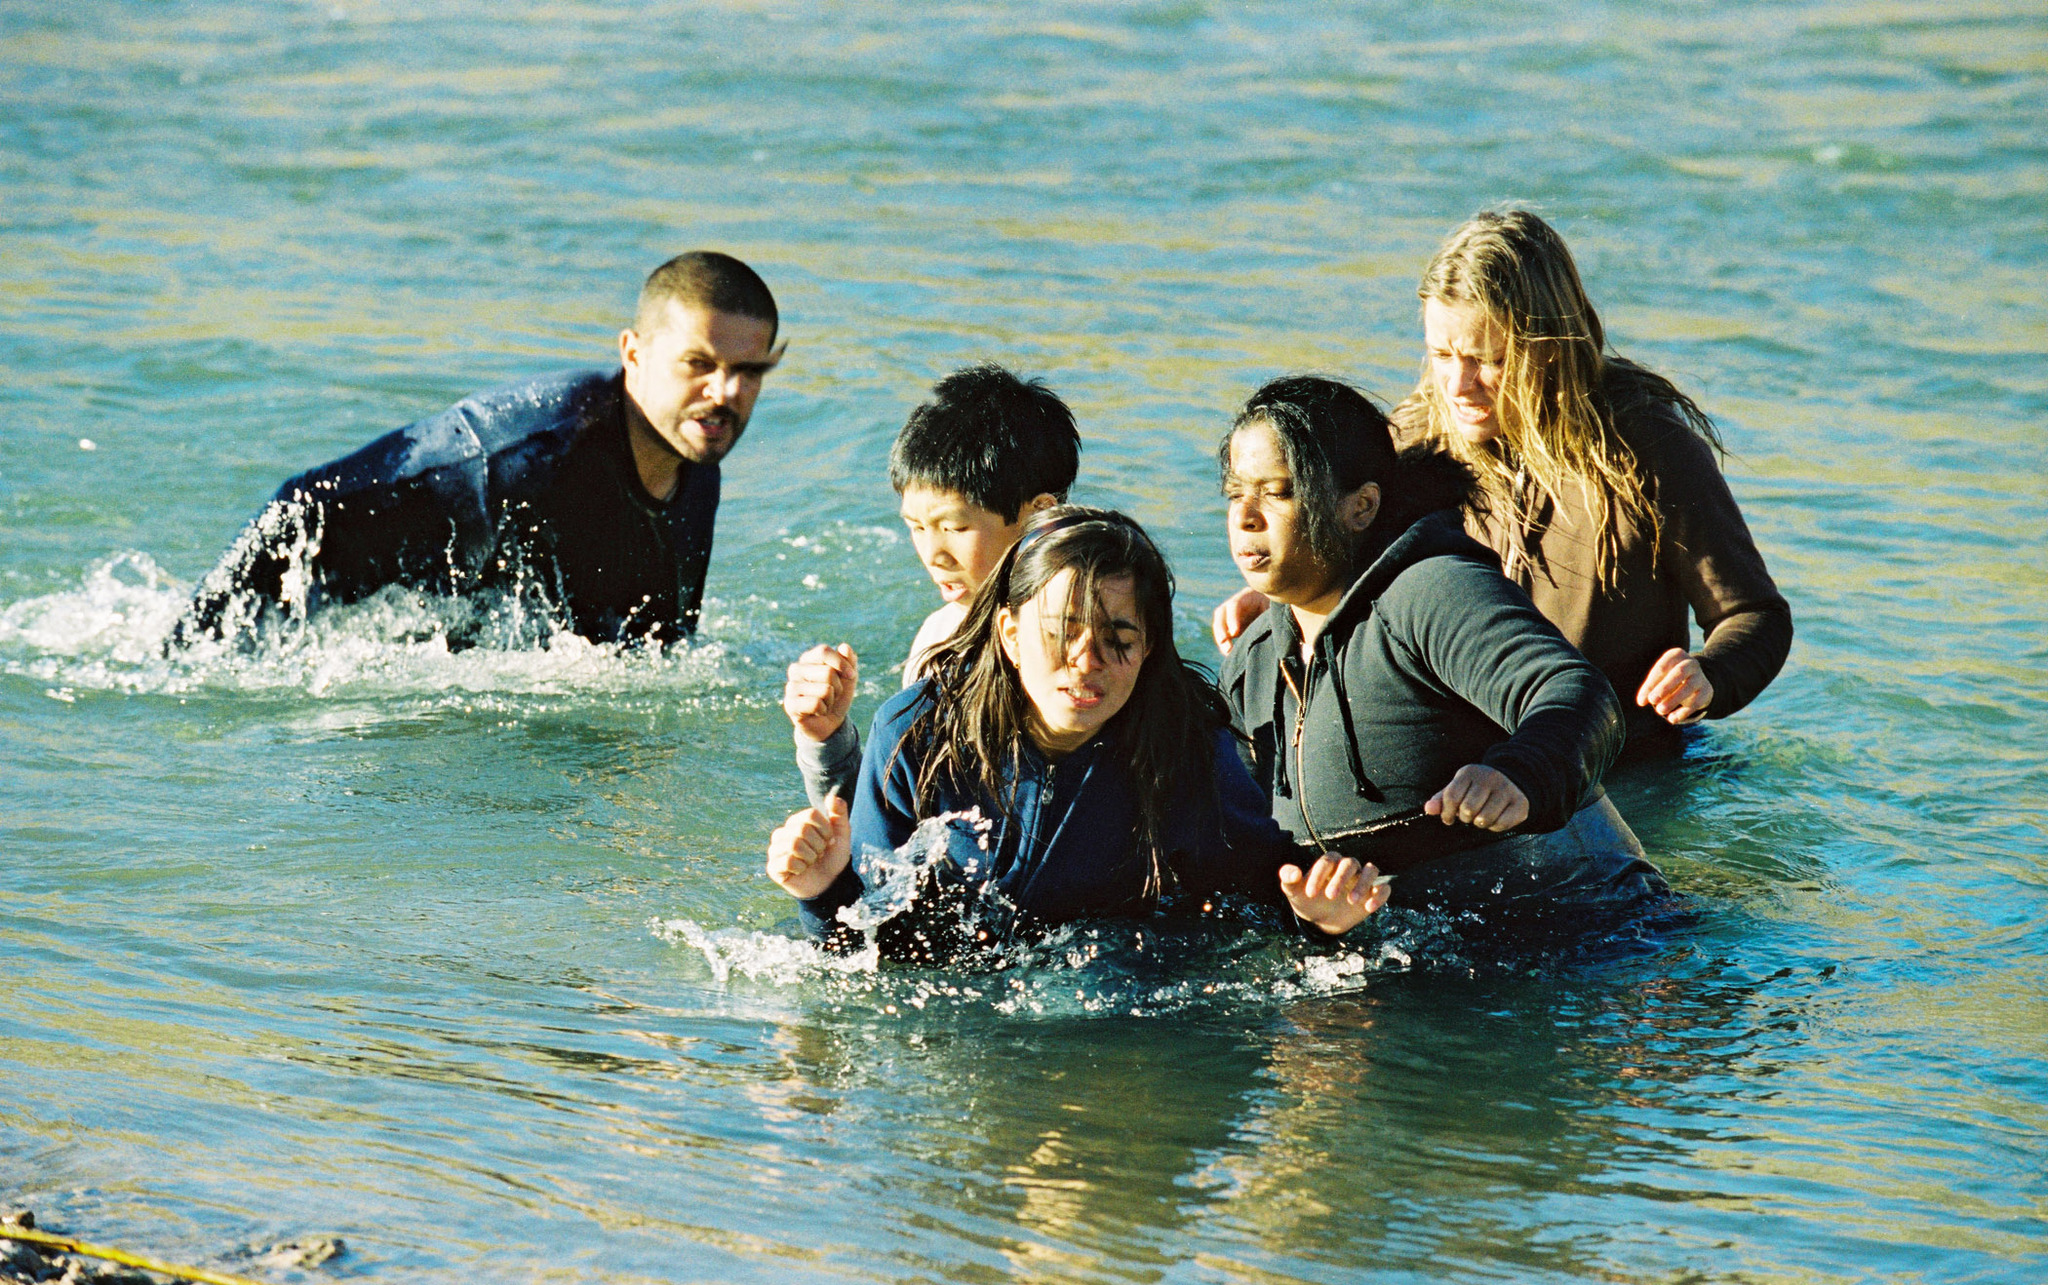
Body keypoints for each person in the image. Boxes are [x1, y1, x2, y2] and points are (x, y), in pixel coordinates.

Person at [1214, 209, 1792, 750]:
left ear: (1548, 345)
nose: (1457, 385)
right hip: (1463, 767)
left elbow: (1754, 618)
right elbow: (1352, 561)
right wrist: (1286, 596)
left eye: (1487, 358)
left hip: (1619, 769)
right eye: (1440, 354)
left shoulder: (1645, 448)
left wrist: (1709, 676)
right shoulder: (1415, 439)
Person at [766, 506, 1391, 962]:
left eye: (1119, 640)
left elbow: (1264, 895)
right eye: (1062, 632)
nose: (1087, 662)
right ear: (1009, 634)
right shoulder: (918, 734)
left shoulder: (1184, 742)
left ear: (1148, 649)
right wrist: (821, 891)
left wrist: (1324, 921)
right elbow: (870, 949)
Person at [170, 251, 783, 648]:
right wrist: (188, 654)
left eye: (748, 371)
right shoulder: (517, 457)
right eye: (699, 364)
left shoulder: (695, 457)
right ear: (633, 353)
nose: (725, 393)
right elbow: (307, 507)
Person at [1215, 376, 1662, 915]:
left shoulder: (1431, 593)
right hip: (1427, 956)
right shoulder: (1254, 659)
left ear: (1361, 507)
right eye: (1237, 492)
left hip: (1597, 928)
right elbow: (1232, 830)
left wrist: (1520, 772)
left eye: (1279, 492)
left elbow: (1576, 691)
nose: (1245, 516)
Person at [780, 363, 1079, 809]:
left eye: (954, 527)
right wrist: (825, 737)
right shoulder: (940, 636)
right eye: (917, 527)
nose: (932, 554)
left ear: (1038, 515)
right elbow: (891, 826)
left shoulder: (1083, 651)